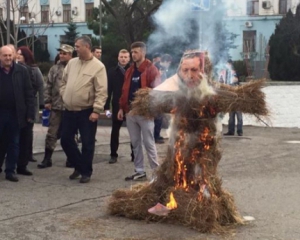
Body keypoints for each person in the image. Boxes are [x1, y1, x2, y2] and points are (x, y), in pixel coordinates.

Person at [60, 36, 107, 184]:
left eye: (78, 46)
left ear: (87, 47)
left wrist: (96, 110)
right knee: (65, 140)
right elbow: (63, 82)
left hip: (86, 111)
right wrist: (64, 94)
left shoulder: (98, 67)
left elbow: (102, 91)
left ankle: (86, 172)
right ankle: (79, 165)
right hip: (69, 109)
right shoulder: (72, 63)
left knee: (87, 143)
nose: (75, 49)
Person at [118, 41, 160, 181]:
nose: (133, 54)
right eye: (132, 52)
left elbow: (157, 91)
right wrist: (121, 107)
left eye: (136, 52)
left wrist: (151, 107)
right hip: (130, 112)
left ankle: (156, 173)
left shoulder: (151, 69)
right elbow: (124, 90)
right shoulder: (130, 70)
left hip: (145, 113)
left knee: (149, 143)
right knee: (135, 143)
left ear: (143, 52)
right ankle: (139, 170)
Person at [0, 45, 35, 182]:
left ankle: (10, 171)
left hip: (16, 113)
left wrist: (30, 114)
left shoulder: (22, 71)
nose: (8, 58)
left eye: (10, 55)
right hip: (1, 112)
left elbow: (29, 93)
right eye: (5, 56)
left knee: (14, 143)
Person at [37, 44, 74, 169]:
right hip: (56, 106)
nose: (62, 55)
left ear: (70, 55)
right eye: (61, 53)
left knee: (70, 134)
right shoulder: (54, 68)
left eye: (65, 53)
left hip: (71, 106)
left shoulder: (74, 68)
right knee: (51, 133)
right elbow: (48, 85)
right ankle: (47, 159)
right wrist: (47, 101)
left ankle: (71, 158)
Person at [104, 49, 134, 164]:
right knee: (115, 131)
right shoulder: (112, 72)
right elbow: (108, 90)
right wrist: (106, 107)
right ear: (118, 57)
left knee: (133, 131)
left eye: (126, 57)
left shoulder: (132, 71)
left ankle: (134, 154)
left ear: (129, 58)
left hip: (130, 105)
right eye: (121, 57)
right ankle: (113, 154)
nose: (123, 59)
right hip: (116, 106)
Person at [153, 54, 173, 144]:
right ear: (166, 62)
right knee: (158, 117)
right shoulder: (158, 67)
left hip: (160, 94)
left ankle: (156, 135)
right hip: (157, 95)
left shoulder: (161, 68)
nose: (169, 65)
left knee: (159, 117)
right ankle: (155, 136)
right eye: (169, 63)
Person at [223, 60, 243, 136]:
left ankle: (239, 131)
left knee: (239, 115)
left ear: (231, 64)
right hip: (230, 98)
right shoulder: (225, 73)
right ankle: (231, 131)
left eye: (228, 64)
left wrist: (235, 80)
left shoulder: (234, 73)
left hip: (237, 97)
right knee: (231, 116)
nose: (227, 65)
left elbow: (237, 81)